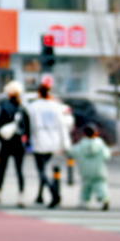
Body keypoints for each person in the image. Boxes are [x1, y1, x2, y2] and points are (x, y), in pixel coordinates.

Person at [27, 79, 70, 209]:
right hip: (53, 141)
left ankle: (54, 193)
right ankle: (40, 195)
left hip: (39, 140)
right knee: (43, 169)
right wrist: (65, 143)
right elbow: (62, 125)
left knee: (41, 171)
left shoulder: (33, 107)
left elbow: (29, 126)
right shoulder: (55, 106)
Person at [0, 80, 30, 206]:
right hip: (19, 144)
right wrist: (26, 141)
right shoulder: (22, 108)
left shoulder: (4, 106)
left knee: (2, 168)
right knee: (19, 170)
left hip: (6, 143)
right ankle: (21, 196)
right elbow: (28, 128)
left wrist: (1, 139)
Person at [73, 124, 112, 210]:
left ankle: (84, 201)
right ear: (96, 133)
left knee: (86, 186)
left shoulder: (82, 144)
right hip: (99, 170)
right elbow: (107, 155)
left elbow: (73, 151)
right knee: (100, 185)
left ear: (84, 134)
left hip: (85, 170)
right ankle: (104, 199)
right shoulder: (100, 143)